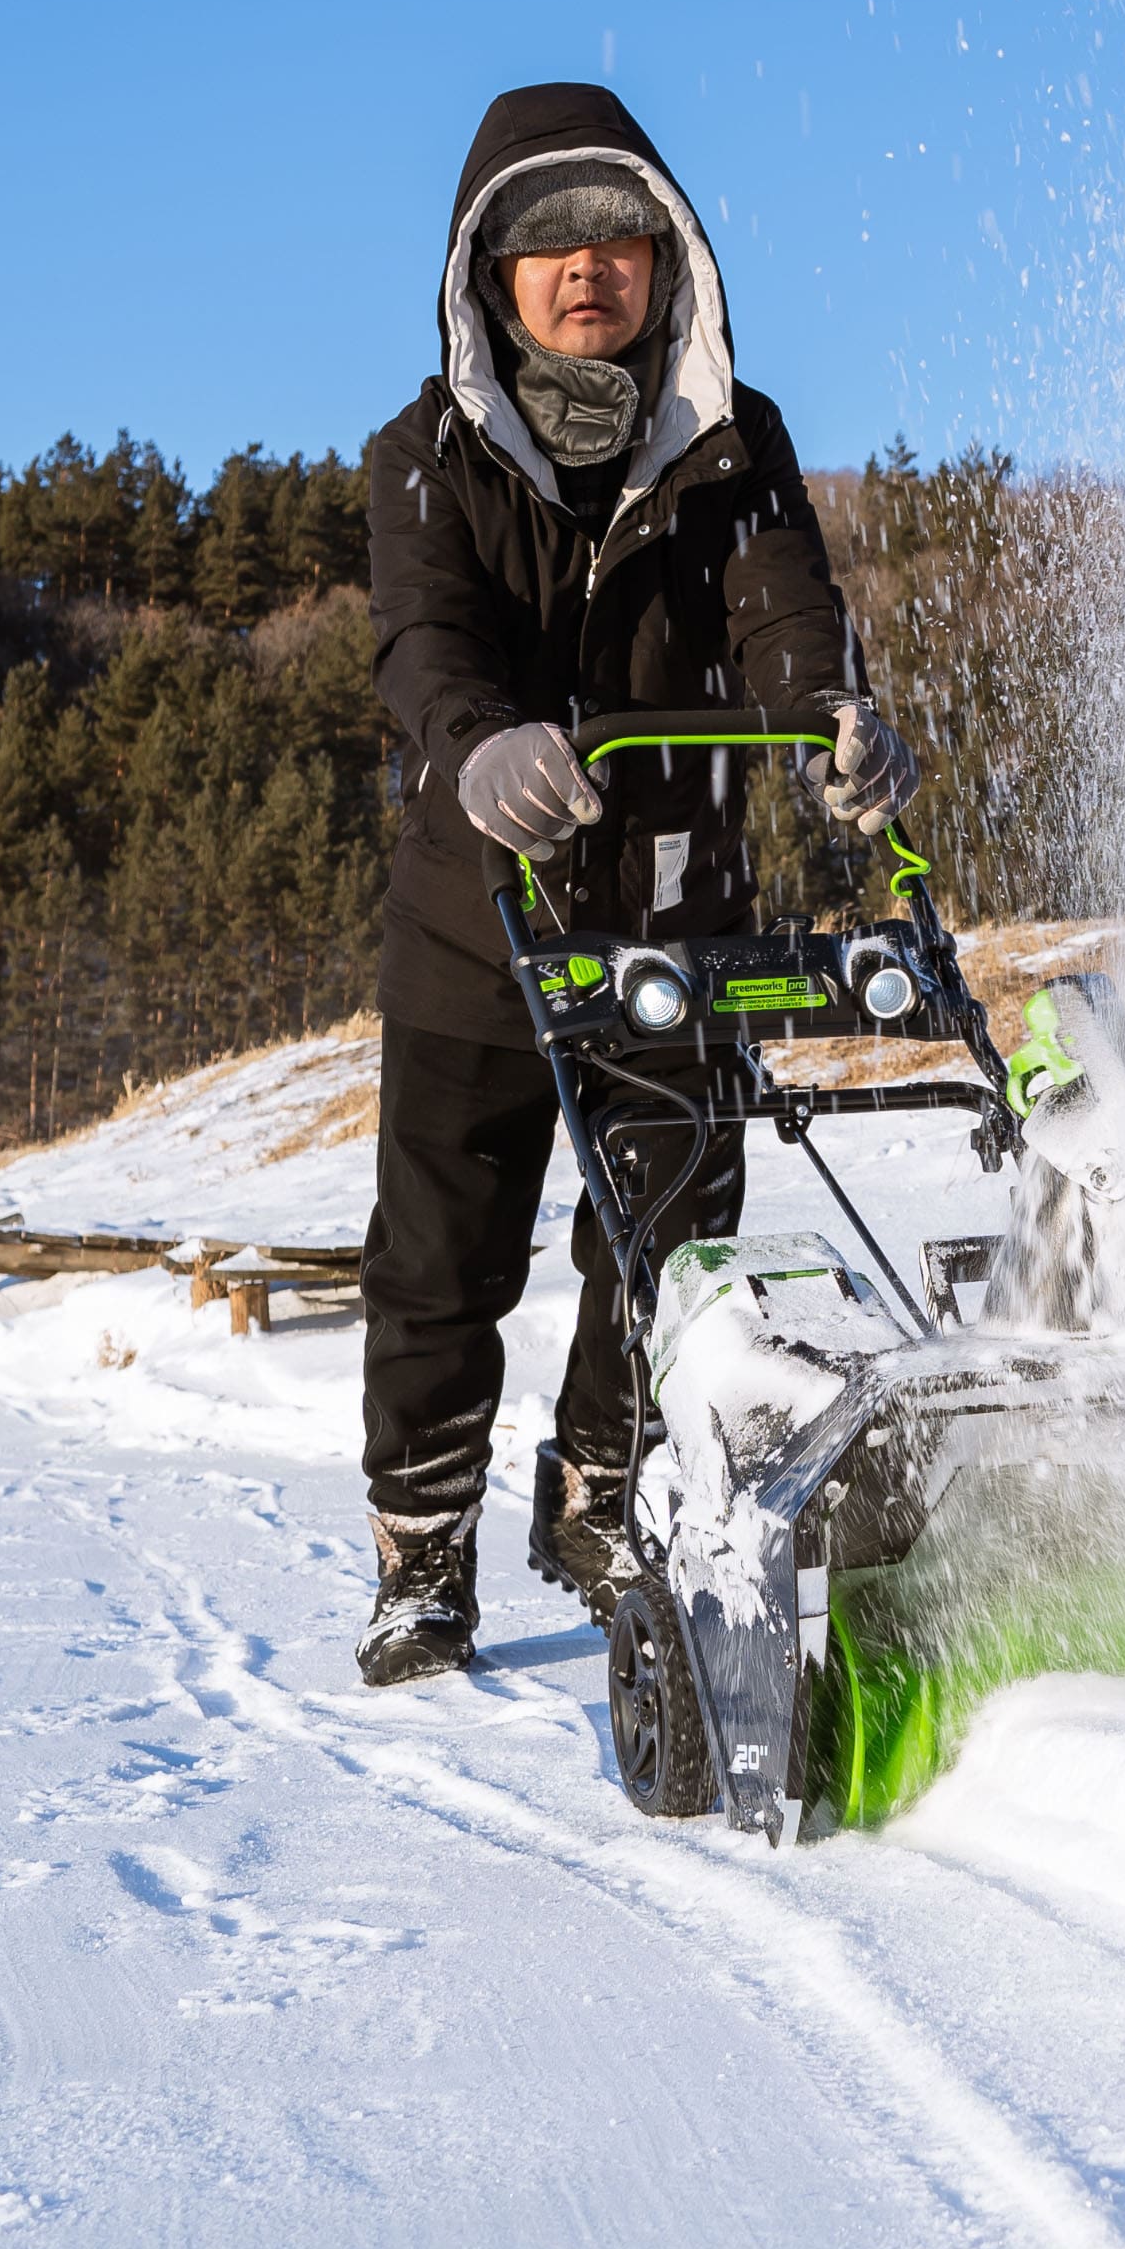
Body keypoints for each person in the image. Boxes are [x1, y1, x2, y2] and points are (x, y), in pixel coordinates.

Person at [355, 81, 917, 1685]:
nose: (586, 268)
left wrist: (833, 715)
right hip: (479, 923)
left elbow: (783, 609)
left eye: (617, 238)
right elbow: (424, 640)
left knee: (669, 1246)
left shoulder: (734, 441)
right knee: (443, 1263)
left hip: (682, 918)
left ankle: (602, 1497)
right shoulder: (426, 454)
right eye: (550, 245)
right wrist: (477, 747)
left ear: (669, 261)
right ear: (492, 276)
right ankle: (420, 1558)